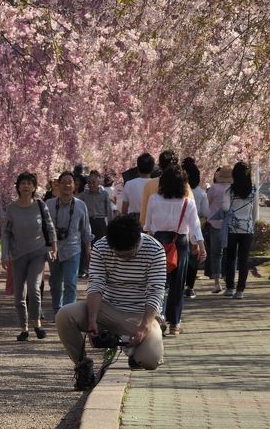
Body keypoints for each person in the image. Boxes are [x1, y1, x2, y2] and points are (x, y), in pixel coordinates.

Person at [55, 214, 166, 390]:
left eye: (129, 255)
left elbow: (156, 291)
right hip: (106, 308)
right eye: (119, 255)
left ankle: (136, 351)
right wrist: (92, 321)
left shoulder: (155, 250)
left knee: (150, 360)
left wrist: (144, 327)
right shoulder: (101, 247)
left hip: (140, 314)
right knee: (64, 315)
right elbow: (96, 285)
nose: (125, 259)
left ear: (138, 240)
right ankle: (83, 365)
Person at [144, 165, 206, 335]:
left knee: (158, 283)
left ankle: (158, 317)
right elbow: (195, 228)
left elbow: (148, 226)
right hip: (180, 243)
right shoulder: (188, 202)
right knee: (178, 284)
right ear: (183, 184)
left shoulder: (154, 199)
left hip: (157, 243)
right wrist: (201, 247)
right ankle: (175, 324)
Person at [2, 171, 57, 341]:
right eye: (23, 183)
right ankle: (24, 328)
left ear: (34, 187)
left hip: (38, 253)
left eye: (29, 183)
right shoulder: (11, 208)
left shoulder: (40, 205)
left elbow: (49, 227)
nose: (26, 186)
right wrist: (5, 255)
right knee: (19, 293)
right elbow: (7, 234)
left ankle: (37, 324)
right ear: (18, 187)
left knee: (34, 289)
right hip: (18, 255)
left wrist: (54, 246)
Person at [46, 171, 91, 316]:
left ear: (74, 186)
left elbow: (85, 228)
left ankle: (67, 314)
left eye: (70, 182)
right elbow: (44, 228)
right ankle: (57, 309)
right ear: (58, 185)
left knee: (70, 283)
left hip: (73, 248)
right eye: (63, 182)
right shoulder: (49, 204)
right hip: (54, 248)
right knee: (55, 282)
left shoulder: (80, 205)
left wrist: (88, 246)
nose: (67, 185)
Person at [222, 161, 257, 299]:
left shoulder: (229, 191)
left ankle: (230, 287)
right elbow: (254, 212)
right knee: (244, 260)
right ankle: (240, 290)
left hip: (232, 228)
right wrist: (251, 224)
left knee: (230, 258)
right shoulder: (253, 191)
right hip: (247, 229)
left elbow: (225, 208)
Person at [139, 149, 194, 226]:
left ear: (160, 166)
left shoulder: (150, 184)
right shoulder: (184, 185)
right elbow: (191, 210)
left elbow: (144, 214)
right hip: (179, 230)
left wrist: (144, 225)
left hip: (155, 230)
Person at [182, 157, 209, 299]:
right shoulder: (201, 193)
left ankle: (178, 284)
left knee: (181, 258)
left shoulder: (178, 191)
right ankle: (189, 287)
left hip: (180, 227)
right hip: (196, 227)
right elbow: (206, 213)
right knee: (193, 259)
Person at [204, 166, 233, 293]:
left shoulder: (213, 188)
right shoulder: (233, 189)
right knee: (229, 254)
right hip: (230, 224)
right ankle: (229, 282)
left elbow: (206, 204)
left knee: (216, 253)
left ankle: (217, 283)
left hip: (215, 223)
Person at [121, 152, 155, 222]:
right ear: (152, 168)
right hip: (151, 219)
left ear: (138, 168)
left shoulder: (129, 184)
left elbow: (124, 210)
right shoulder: (156, 184)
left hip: (133, 221)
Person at [80, 170, 112, 242]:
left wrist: (110, 225)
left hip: (100, 222)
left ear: (98, 183)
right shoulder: (83, 195)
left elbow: (109, 210)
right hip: (88, 222)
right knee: (89, 243)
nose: (91, 184)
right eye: (89, 183)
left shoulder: (104, 194)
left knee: (102, 243)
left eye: (93, 182)